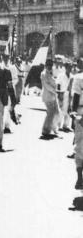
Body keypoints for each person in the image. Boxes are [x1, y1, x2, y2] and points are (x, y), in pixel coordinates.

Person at [71, 58, 83, 189]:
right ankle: (80, 177)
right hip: (81, 113)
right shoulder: (79, 78)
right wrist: (74, 113)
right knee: (80, 147)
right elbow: (75, 96)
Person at [40, 58, 60, 138]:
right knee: (50, 113)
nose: (50, 66)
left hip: (53, 96)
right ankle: (45, 130)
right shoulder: (44, 73)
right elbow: (46, 85)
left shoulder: (50, 73)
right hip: (47, 96)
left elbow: (53, 82)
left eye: (51, 65)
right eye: (48, 65)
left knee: (56, 112)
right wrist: (55, 91)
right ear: (46, 65)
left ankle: (52, 128)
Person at [57, 61, 73, 132]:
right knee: (61, 110)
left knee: (68, 110)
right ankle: (58, 125)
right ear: (66, 68)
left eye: (71, 67)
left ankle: (65, 125)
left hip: (69, 94)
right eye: (69, 67)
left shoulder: (72, 76)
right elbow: (58, 85)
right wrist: (59, 94)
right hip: (62, 93)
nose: (70, 69)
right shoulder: (61, 75)